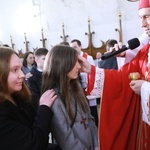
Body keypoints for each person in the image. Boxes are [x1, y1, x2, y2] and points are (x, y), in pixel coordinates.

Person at [78, 0, 150, 149]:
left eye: (147, 17)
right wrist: (92, 70)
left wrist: (145, 88)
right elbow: (122, 80)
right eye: (140, 18)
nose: (142, 24)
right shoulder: (145, 51)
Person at [41, 45, 99, 150]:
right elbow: (66, 139)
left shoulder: (76, 88)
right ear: (62, 64)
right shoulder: (54, 98)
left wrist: (96, 144)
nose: (79, 66)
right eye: (74, 62)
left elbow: (89, 118)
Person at [0, 46, 57, 150]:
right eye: (15, 70)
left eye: (21, 69)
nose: (22, 75)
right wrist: (44, 107)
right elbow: (34, 144)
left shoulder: (17, 96)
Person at [70, 39, 99, 127]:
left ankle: (95, 126)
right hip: (78, 87)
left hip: (88, 86)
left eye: (75, 47)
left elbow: (93, 72)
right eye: (72, 48)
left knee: (92, 109)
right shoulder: (72, 58)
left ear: (80, 46)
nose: (74, 49)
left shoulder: (88, 57)